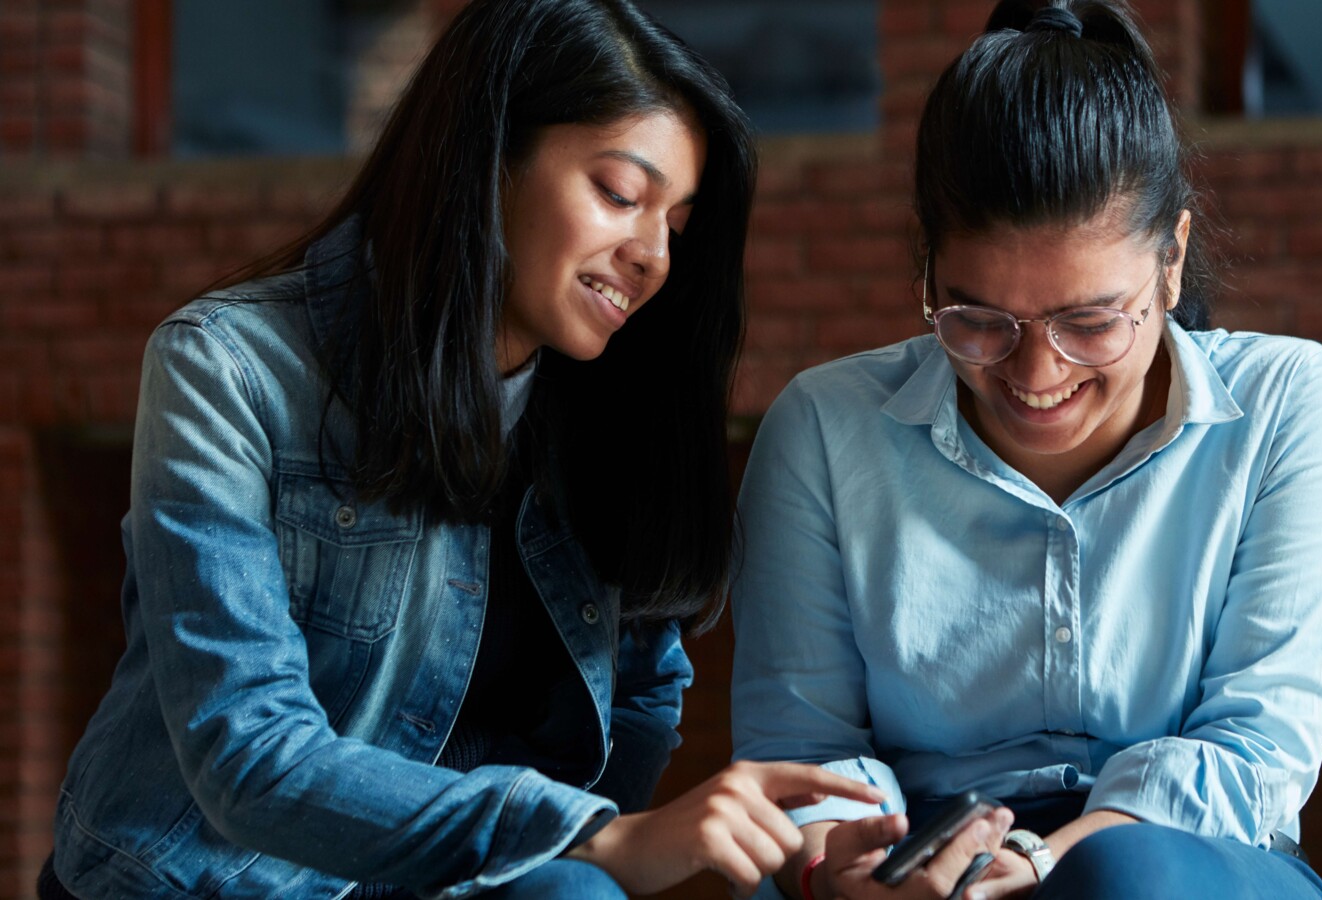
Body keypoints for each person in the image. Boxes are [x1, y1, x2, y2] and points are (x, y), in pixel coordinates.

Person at [40, 1, 883, 898]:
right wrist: (593, 838)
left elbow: (642, 688)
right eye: (619, 194)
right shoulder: (226, 368)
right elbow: (247, 753)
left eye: (676, 224)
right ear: (490, 161)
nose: (653, 255)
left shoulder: (606, 414)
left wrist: (598, 853)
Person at [729, 1, 1322, 898]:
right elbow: (803, 757)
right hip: (918, 865)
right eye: (979, 320)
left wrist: (1047, 860)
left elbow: (1255, 753)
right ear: (925, 273)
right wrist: (843, 867)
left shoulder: (1286, 410)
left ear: (1173, 260)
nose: (1038, 372)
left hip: (1184, 864)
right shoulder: (826, 431)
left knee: (1126, 876)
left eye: (1091, 320)